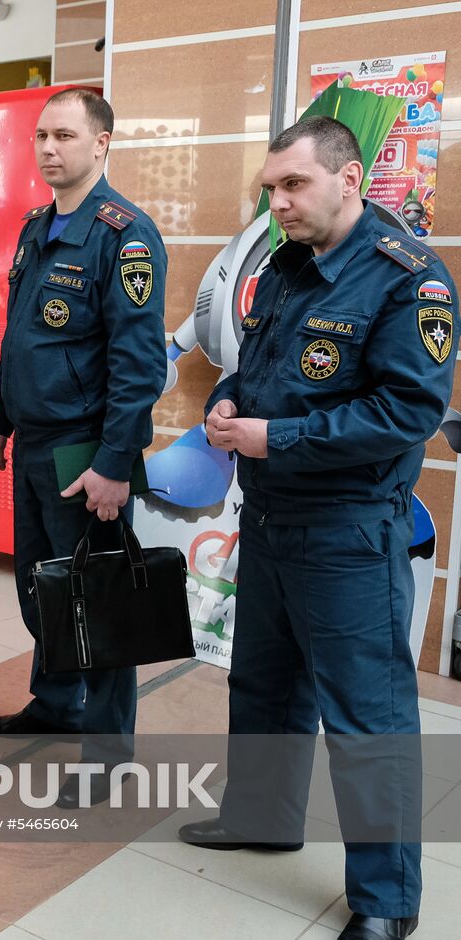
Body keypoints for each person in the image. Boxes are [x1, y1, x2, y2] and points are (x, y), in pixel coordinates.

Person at [178, 116, 455, 940]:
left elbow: (408, 411)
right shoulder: (287, 266)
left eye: (293, 185)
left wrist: (279, 438)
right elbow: (257, 369)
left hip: (347, 532)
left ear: (349, 179)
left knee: (367, 719)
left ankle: (385, 902)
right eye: (270, 188)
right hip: (269, 520)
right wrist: (230, 402)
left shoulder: (410, 280)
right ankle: (262, 816)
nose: (278, 203)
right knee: (262, 686)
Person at [0, 88, 166, 808]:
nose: (49, 148)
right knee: (42, 587)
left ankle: (110, 754)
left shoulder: (125, 234)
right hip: (31, 443)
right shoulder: (36, 228)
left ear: (102, 144)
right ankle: (54, 702)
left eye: (64, 136)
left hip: (83, 451)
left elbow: (139, 366)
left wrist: (114, 465)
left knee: (96, 601)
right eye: (41, 136)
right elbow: (19, 337)